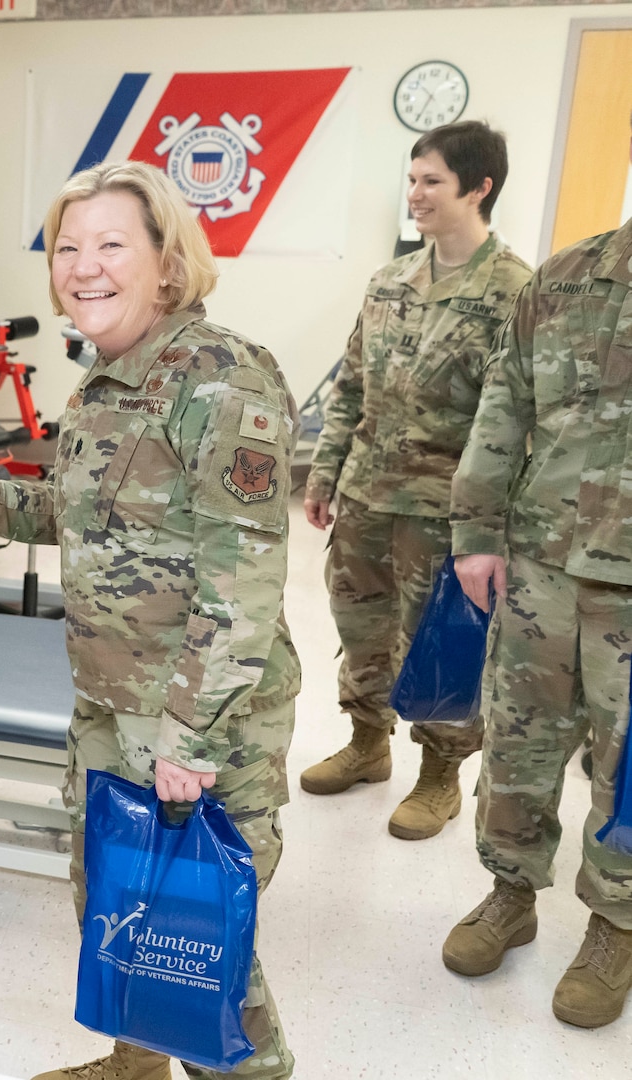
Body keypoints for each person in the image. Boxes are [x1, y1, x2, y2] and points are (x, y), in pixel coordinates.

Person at [0, 161, 299, 1080]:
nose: (83, 268)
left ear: (166, 262)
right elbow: (71, 523)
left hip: (200, 726)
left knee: (203, 946)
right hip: (112, 712)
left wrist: (189, 739)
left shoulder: (221, 381)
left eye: (112, 245)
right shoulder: (104, 384)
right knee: (117, 903)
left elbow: (244, 589)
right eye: (68, 249)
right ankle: (137, 1061)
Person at [440, 118, 632, 1028]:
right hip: (542, 566)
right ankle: (509, 893)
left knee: (629, 763)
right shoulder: (563, 281)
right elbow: (503, 408)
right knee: (518, 743)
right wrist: (475, 529)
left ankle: (617, 923)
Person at [300, 121, 532, 840]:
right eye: (413, 180)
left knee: (440, 643)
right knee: (359, 624)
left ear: (479, 187)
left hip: (446, 512)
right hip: (369, 495)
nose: (416, 194)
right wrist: (325, 470)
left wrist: (486, 529)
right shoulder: (389, 280)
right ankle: (367, 746)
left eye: (431, 181)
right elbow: (351, 387)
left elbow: (518, 420)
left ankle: (440, 775)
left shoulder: (516, 292)